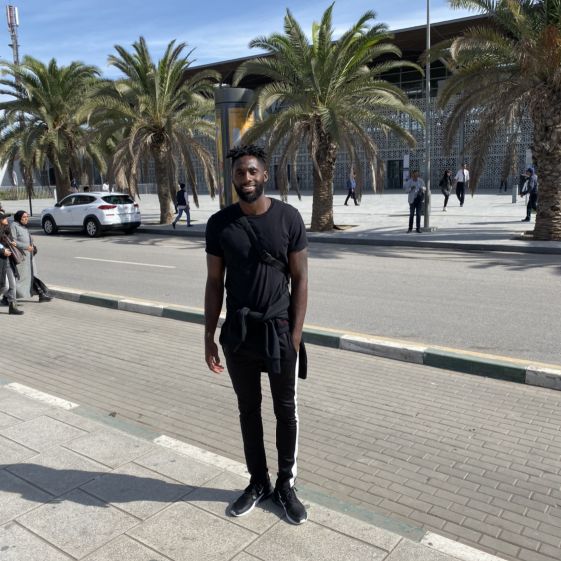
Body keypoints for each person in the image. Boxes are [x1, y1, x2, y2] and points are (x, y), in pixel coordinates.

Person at [204, 144, 309, 525]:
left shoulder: (288, 218)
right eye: (239, 173)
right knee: (248, 409)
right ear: (232, 178)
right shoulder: (220, 224)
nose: (246, 178)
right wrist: (209, 335)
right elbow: (214, 282)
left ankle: (285, 486)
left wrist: (295, 335)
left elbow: (300, 278)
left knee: (285, 410)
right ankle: (258, 482)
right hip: (239, 333)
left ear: (264, 174)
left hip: (279, 331)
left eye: (252, 171)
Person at [10, 210, 52, 302]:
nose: (26, 219)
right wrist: (25, 246)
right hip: (22, 258)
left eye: (27, 217)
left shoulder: (23, 226)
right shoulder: (14, 226)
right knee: (21, 279)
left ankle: (41, 294)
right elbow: (12, 241)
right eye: (24, 217)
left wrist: (31, 241)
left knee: (32, 275)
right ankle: (7, 298)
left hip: (29, 257)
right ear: (19, 218)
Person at [0, 212, 23, 315]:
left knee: (12, 285)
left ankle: (12, 307)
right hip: (1, 261)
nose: (7, 219)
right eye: (4, 218)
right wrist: (2, 251)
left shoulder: (6, 229)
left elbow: (11, 241)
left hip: (9, 260)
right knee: (4, 286)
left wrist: (13, 243)